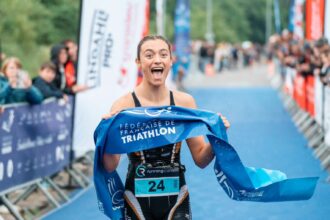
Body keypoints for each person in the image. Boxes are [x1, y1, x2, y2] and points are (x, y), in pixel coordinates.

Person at [102, 35, 230, 219]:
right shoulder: (123, 106)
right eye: (149, 55)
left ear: (171, 61)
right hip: (137, 201)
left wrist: (217, 138)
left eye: (163, 54)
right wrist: (107, 136)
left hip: (177, 198)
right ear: (138, 62)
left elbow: (201, 159)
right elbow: (109, 165)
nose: (157, 60)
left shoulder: (183, 102)